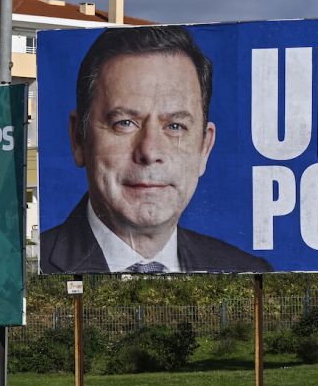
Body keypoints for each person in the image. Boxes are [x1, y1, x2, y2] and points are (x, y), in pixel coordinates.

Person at [39, 25, 272, 274]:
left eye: (175, 126)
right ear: (78, 138)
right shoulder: (24, 269)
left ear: (204, 148)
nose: (149, 152)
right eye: (124, 123)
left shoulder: (249, 272)